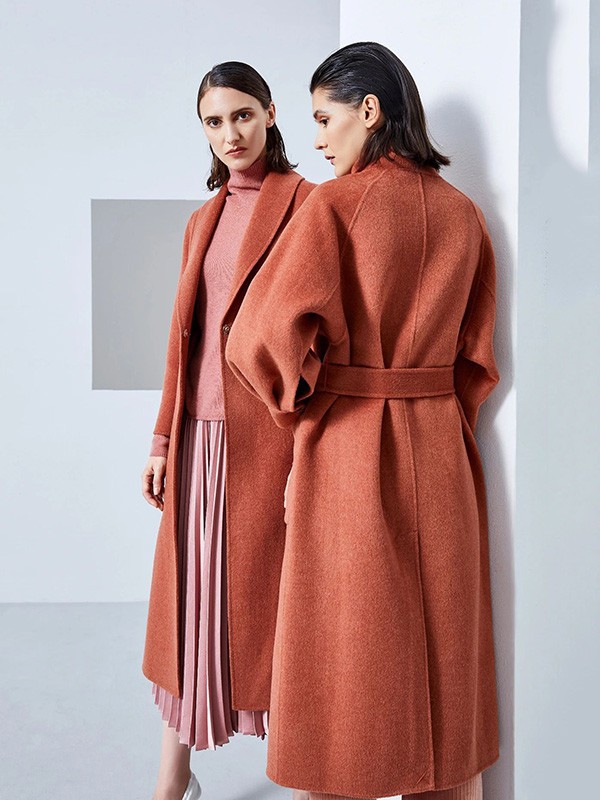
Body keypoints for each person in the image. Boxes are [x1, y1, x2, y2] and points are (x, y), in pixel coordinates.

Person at [225, 42, 501, 800]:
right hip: (441, 445)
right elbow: (478, 360)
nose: (316, 139)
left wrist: (302, 400)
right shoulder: (464, 215)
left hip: (349, 443)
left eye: (324, 118)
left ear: (369, 111)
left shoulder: (333, 206)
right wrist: (434, 409)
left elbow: (256, 340)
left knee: (343, 654)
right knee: (444, 651)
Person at [140, 61, 315, 800]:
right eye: (214, 122)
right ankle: (173, 779)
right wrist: (161, 441)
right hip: (196, 442)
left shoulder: (309, 205)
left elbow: (321, 341)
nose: (230, 133)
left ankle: (309, 775)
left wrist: (308, 451)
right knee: (188, 615)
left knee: (280, 611)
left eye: (242, 114)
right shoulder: (202, 220)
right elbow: (181, 343)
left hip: (269, 442)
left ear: (271, 112)